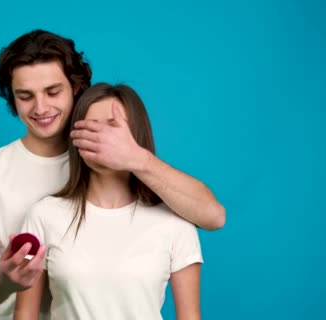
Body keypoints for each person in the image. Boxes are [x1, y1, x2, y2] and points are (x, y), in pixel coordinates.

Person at [0, 30, 224, 320]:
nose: (41, 108)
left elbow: (214, 217)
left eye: (53, 91)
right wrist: (4, 281)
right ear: (13, 98)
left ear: (76, 88)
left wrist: (134, 156)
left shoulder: (125, 172)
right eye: (25, 96)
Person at [13, 83, 203, 320]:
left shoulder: (175, 222)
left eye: (113, 128)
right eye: (91, 129)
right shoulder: (43, 215)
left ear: (136, 136)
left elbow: (190, 316)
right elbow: (24, 314)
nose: (101, 140)